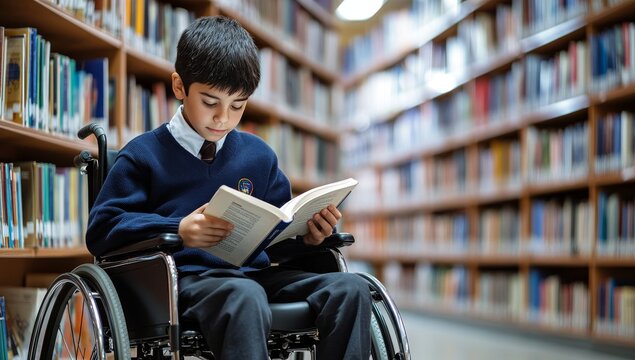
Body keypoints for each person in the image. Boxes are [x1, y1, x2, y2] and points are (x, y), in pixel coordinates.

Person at [86, 16, 371, 359]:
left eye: (238, 105)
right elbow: (102, 229)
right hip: (183, 283)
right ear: (179, 87)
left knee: (352, 289)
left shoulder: (259, 156)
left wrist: (310, 237)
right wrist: (179, 230)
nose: (223, 118)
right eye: (210, 102)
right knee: (244, 295)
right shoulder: (143, 154)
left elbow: (277, 234)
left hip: (255, 276)